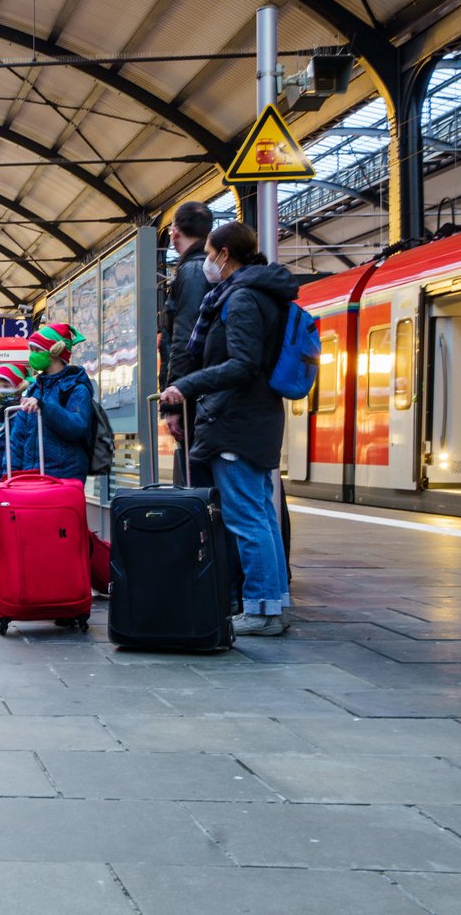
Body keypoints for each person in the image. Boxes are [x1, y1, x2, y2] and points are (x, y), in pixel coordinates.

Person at [159, 221, 297, 637]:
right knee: (261, 514)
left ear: (223, 255)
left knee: (247, 517)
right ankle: (273, 602)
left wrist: (186, 384)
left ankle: (261, 610)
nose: (207, 263)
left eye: (211, 255)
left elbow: (242, 364)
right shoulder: (261, 293)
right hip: (255, 417)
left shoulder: (241, 299)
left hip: (238, 420)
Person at [159, 201, 214, 486]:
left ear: (174, 232)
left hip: (195, 399)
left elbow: (184, 340)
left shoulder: (192, 272)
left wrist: (174, 404)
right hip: (202, 394)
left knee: (201, 483)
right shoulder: (206, 268)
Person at [3, 324, 95, 482]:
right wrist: (9, 474)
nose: (32, 355)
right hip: (30, 476)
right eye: (31, 350)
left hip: (62, 478)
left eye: (37, 350)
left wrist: (45, 406)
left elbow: (77, 427)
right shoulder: (34, 390)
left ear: (55, 352)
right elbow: (17, 439)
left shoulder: (76, 388)